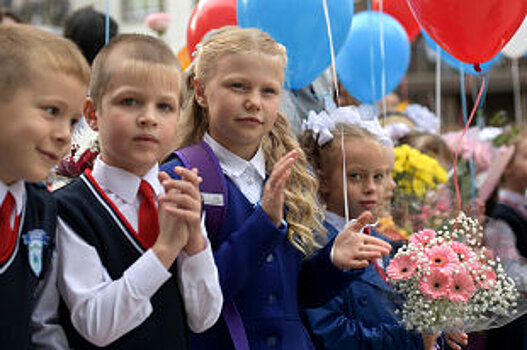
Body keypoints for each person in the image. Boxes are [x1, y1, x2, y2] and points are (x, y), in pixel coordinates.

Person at [160, 26, 392, 350]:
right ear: (200, 92)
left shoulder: (290, 173)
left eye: (268, 91)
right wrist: (263, 225)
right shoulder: (179, 176)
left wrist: (334, 262)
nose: (254, 102)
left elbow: (295, 295)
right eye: (238, 86)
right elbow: (193, 301)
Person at [46, 34, 223, 349]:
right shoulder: (68, 208)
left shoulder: (179, 198)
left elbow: (204, 317)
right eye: (130, 102)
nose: (148, 118)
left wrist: (195, 240)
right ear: (92, 113)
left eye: (165, 106)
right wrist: (166, 249)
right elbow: (96, 325)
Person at [300, 107, 469, 350]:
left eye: (378, 177)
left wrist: (437, 325)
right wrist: (412, 339)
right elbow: (329, 333)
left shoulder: (381, 242)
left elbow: (398, 313)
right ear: (323, 179)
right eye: (356, 176)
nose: (370, 188)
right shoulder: (317, 244)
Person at [0, 24, 90, 349]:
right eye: (51, 111)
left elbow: (40, 319)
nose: (65, 134)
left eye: (72, 120)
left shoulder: (42, 208)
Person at [482, 133, 527, 350]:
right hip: (515, 319)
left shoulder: (521, 208)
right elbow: (509, 274)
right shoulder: (502, 216)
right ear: (507, 167)